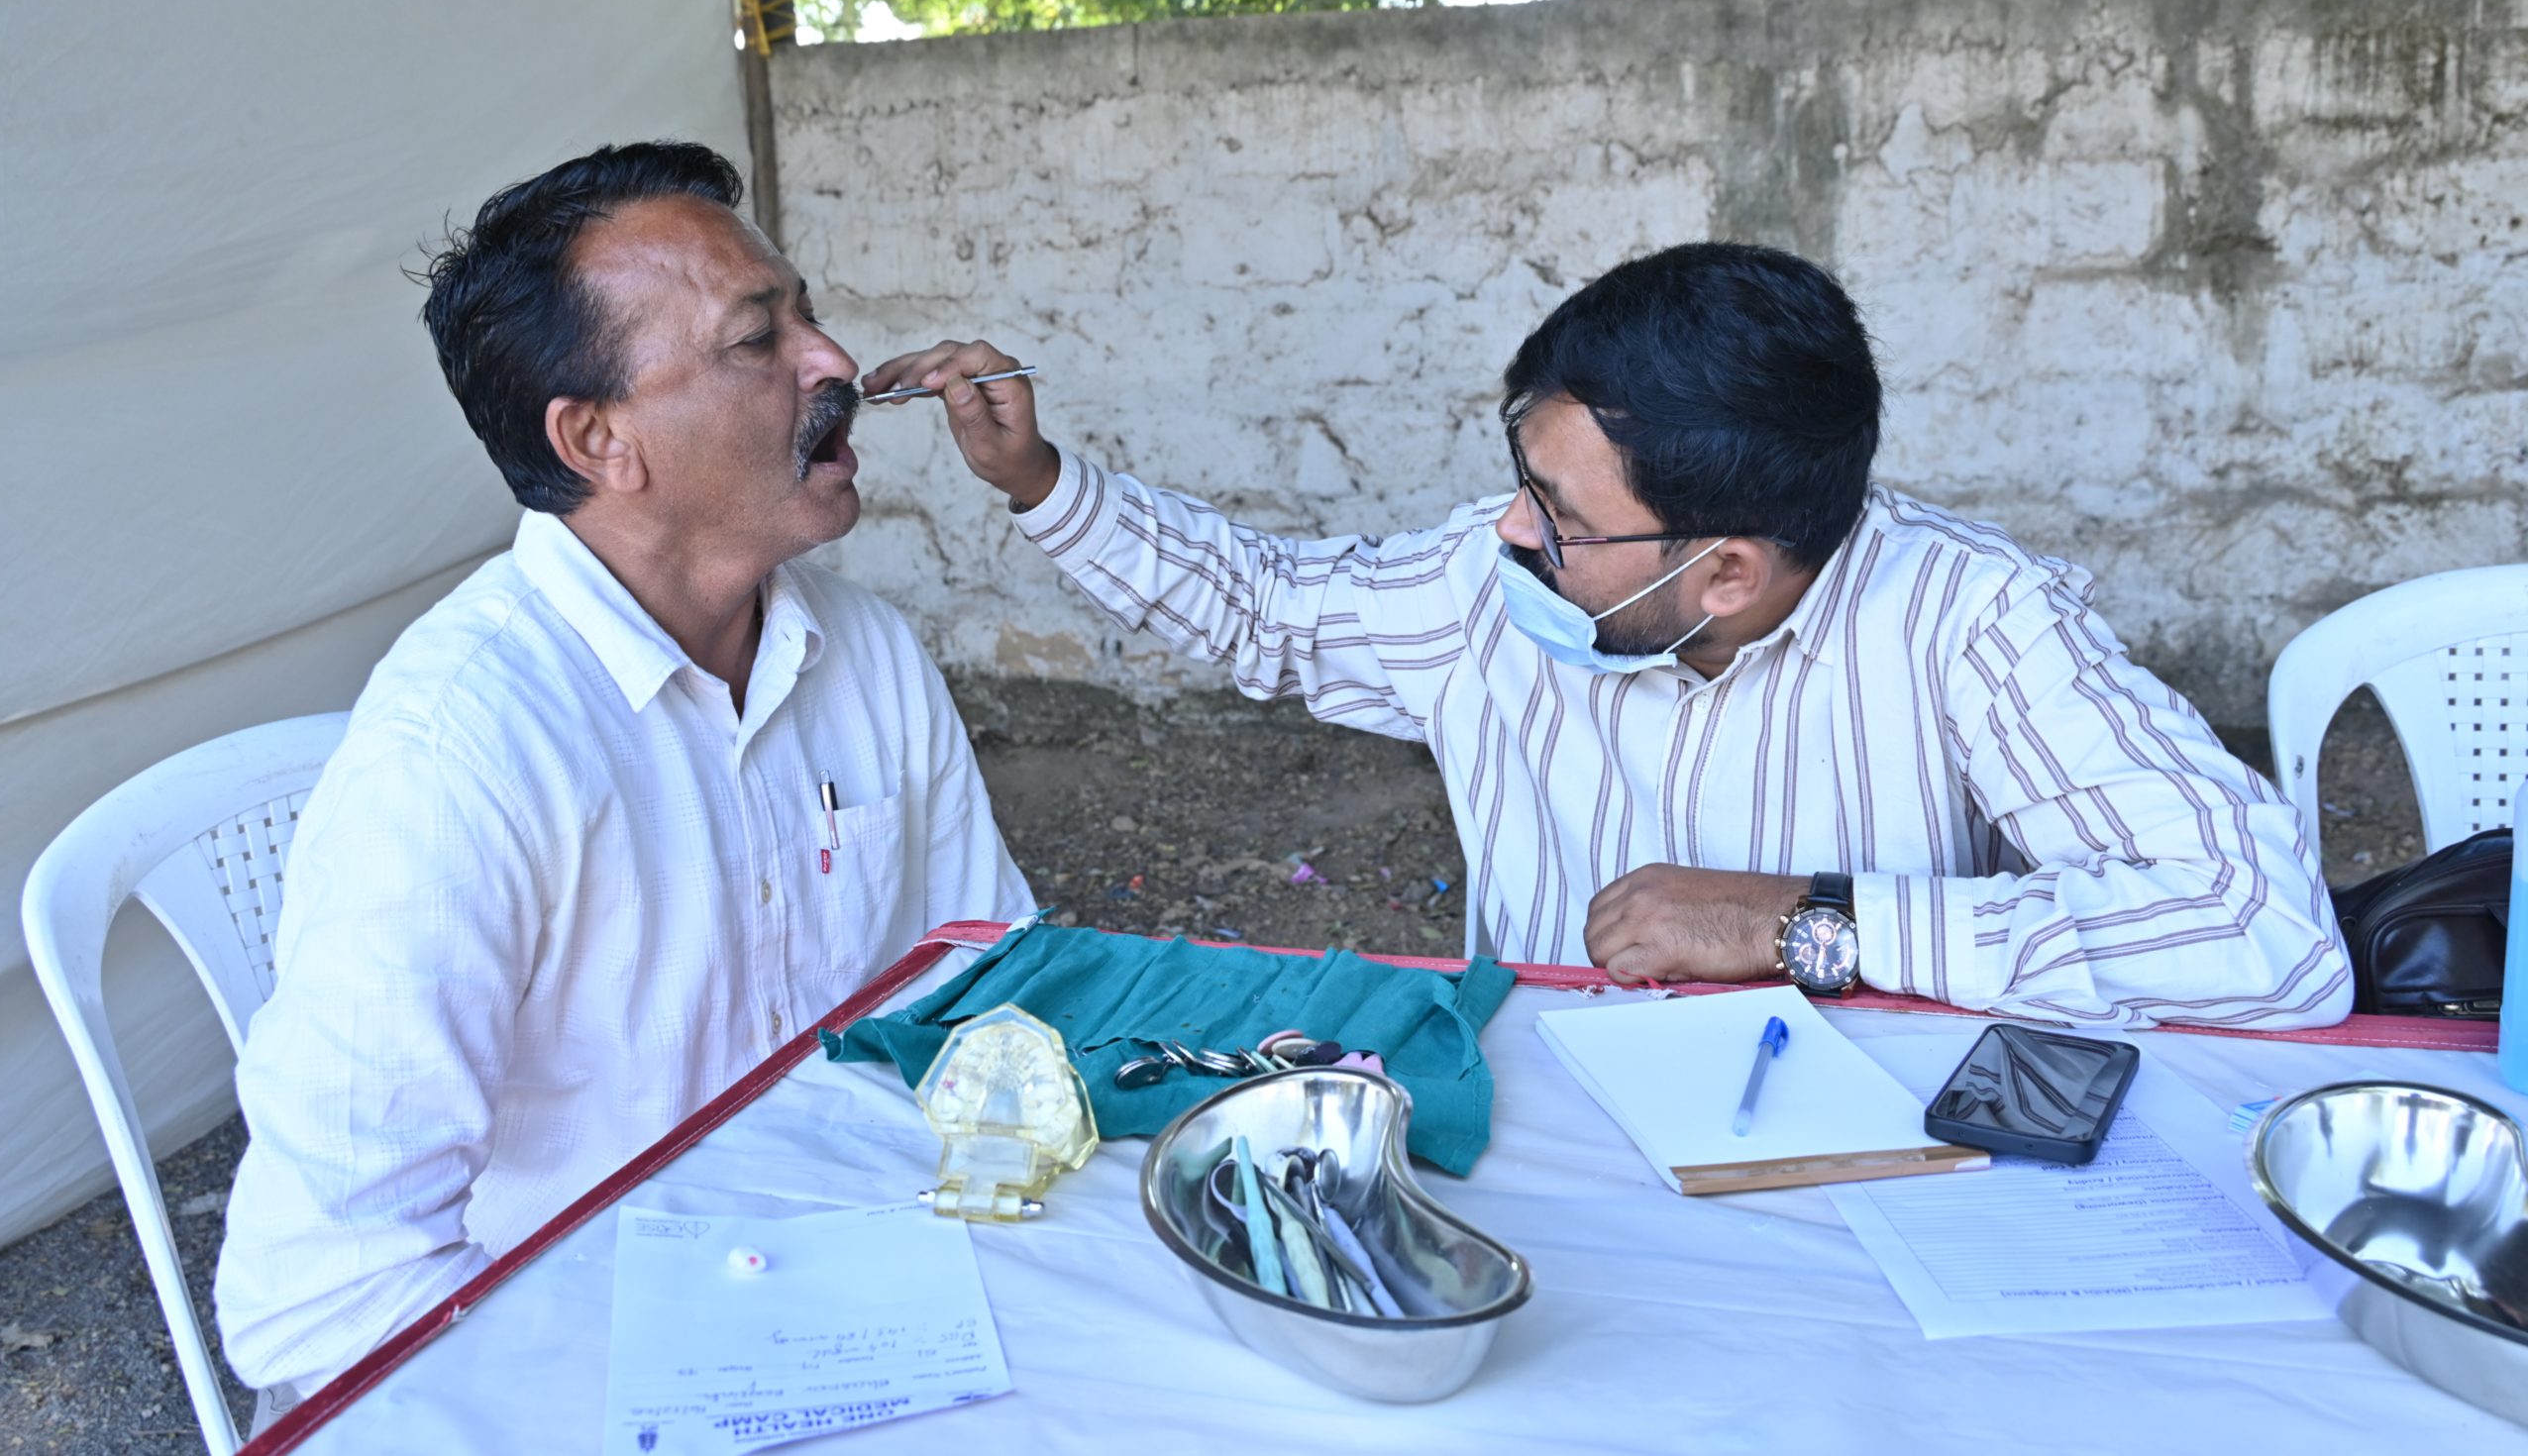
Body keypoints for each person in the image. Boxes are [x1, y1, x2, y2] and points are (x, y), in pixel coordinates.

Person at [868, 241, 2349, 1031]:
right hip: (1550, 1127)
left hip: (1870, 1174)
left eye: (1562, 516)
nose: (1512, 532)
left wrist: (1804, 921)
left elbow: (2265, 936)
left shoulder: (1972, 617)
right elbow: (1268, 607)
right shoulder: (1484, 580)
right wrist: (1041, 481)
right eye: (1525, 481)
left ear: (1725, 570)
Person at [217, 143, 1034, 1399]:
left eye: (807, 314)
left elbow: (992, 986)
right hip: (583, 1359)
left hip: (868, 1287)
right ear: (599, 438)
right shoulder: (457, 754)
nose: (831, 361)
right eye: (757, 340)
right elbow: (325, 1301)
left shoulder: (862, 650)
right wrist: (676, 1379)